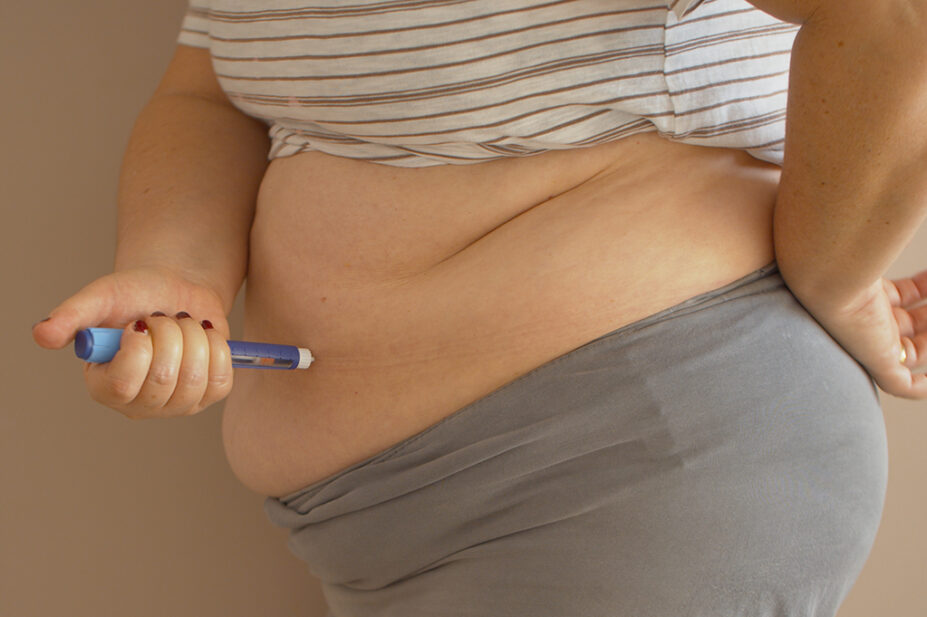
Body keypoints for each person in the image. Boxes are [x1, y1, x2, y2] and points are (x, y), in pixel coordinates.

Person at [32, 0, 927, 615]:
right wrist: (173, 270)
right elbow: (208, 91)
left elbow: (889, 17)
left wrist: (837, 275)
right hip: (360, 525)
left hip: (621, 459)